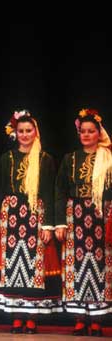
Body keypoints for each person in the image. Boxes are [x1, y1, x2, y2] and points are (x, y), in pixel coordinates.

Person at [0, 110, 61, 334]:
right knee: (12, 264)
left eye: (29, 130)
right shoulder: (6, 158)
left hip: (35, 216)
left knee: (32, 265)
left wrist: (48, 224)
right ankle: (16, 316)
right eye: (21, 131)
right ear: (15, 133)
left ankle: (31, 317)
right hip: (10, 217)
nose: (25, 135)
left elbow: (49, 192)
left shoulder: (45, 159)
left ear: (35, 132)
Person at [55, 109, 112, 337]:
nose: (87, 135)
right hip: (75, 216)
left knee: (101, 266)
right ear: (79, 134)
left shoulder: (109, 158)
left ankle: (97, 319)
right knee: (76, 266)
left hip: (102, 215)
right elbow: (59, 191)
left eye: (91, 131)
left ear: (99, 133)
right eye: (83, 132)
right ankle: (80, 318)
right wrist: (59, 223)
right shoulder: (70, 159)